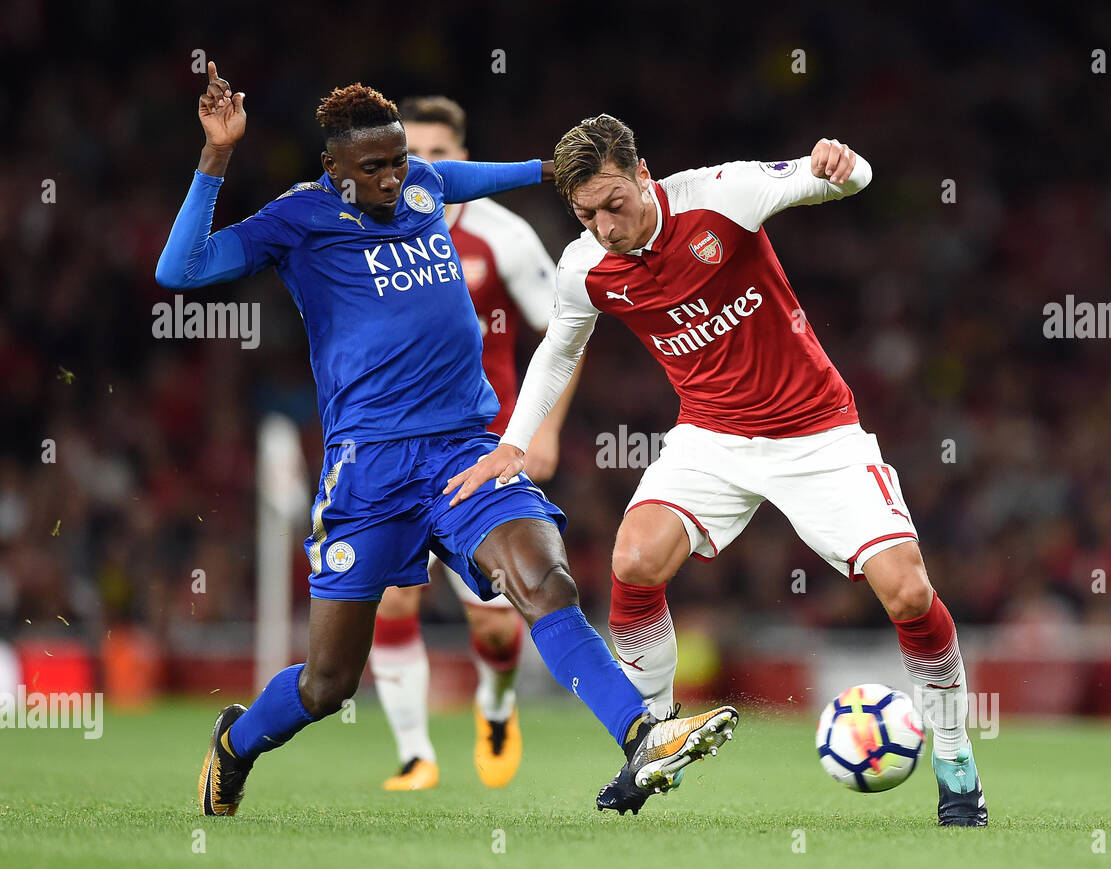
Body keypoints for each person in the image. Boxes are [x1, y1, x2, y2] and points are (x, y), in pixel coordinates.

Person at [157, 67, 738, 818]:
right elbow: (181, 267)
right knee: (328, 682)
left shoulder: (424, 184)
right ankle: (237, 743)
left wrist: (544, 168)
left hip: (467, 447)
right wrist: (215, 157)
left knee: (544, 580)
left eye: (400, 160)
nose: (396, 179)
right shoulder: (297, 219)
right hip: (370, 471)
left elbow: (458, 174)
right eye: (375, 168)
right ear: (333, 168)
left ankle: (641, 734)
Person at [445, 115, 986, 825]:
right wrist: (517, 440)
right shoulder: (585, 268)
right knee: (633, 560)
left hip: (817, 431)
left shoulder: (720, 197)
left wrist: (843, 161)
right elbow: (558, 349)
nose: (606, 226)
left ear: (644, 175)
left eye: (615, 203)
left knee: (909, 592)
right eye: (587, 214)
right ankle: (653, 737)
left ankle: (955, 762)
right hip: (711, 436)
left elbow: (848, 181)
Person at [368, 96, 582, 792]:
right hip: (394, 448)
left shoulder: (505, 236)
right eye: (413, 153)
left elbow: (567, 332)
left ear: (465, 159)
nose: (425, 165)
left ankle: (496, 703)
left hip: (481, 449)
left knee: (495, 620)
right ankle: (414, 754)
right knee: (393, 598)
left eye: (440, 152)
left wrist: (541, 429)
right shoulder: (370, 230)